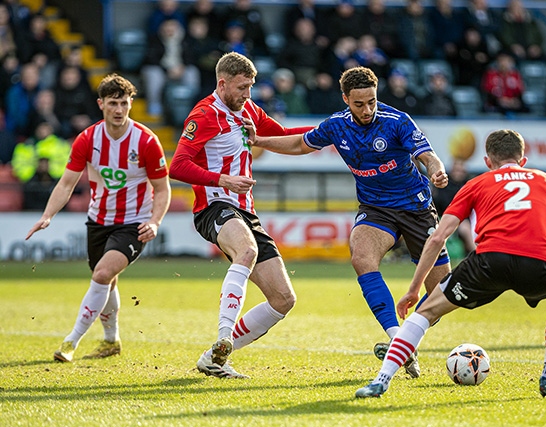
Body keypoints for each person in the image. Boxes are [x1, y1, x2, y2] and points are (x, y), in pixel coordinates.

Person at [355, 128, 546, 399]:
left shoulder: (476, 183)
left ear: (488, 162)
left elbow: (438, 237)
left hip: (488, 262)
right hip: (538, 262)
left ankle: (381, 381)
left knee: (426, 312)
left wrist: (414, 290)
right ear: (523, 160)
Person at [250, 66, 452, 379]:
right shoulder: (336, 126)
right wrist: (261, 141)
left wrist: (437, 171)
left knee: (442, 290)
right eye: (359, 104)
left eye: (372, 101)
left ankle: (408, 339)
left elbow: (427, 155)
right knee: (361, 258)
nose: (368, 109)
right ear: (346, 99)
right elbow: (301, 144)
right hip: (375, 208)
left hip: (416, 208)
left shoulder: (397, 121)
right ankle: (397, 337)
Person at [168, 52, 314, 378]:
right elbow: (176, 166)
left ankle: (214, 357)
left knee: (283, 299)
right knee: (245, 251)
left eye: (251, 87)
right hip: (214, 205)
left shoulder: (247, 109)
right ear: (223, 83)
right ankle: (223, 335)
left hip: (246, 211)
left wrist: (332, 128)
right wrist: (223, 180)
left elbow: (282, 135)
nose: (248, 94)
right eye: (242, 87)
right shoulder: (205, 114)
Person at [25, 74, 171, 362]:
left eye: (125, 103)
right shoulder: (88, 139)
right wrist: (48, 215)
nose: (119, 110)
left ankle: (71, 341)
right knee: (107, 281)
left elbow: (162, 189)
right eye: (113, 103)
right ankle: (111, 341)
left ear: (131, 104)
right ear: (101, 104)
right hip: (98, 221)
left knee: (102, 274)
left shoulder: (146, 141)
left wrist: (154, 221)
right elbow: (66, 183)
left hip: (134, 223)